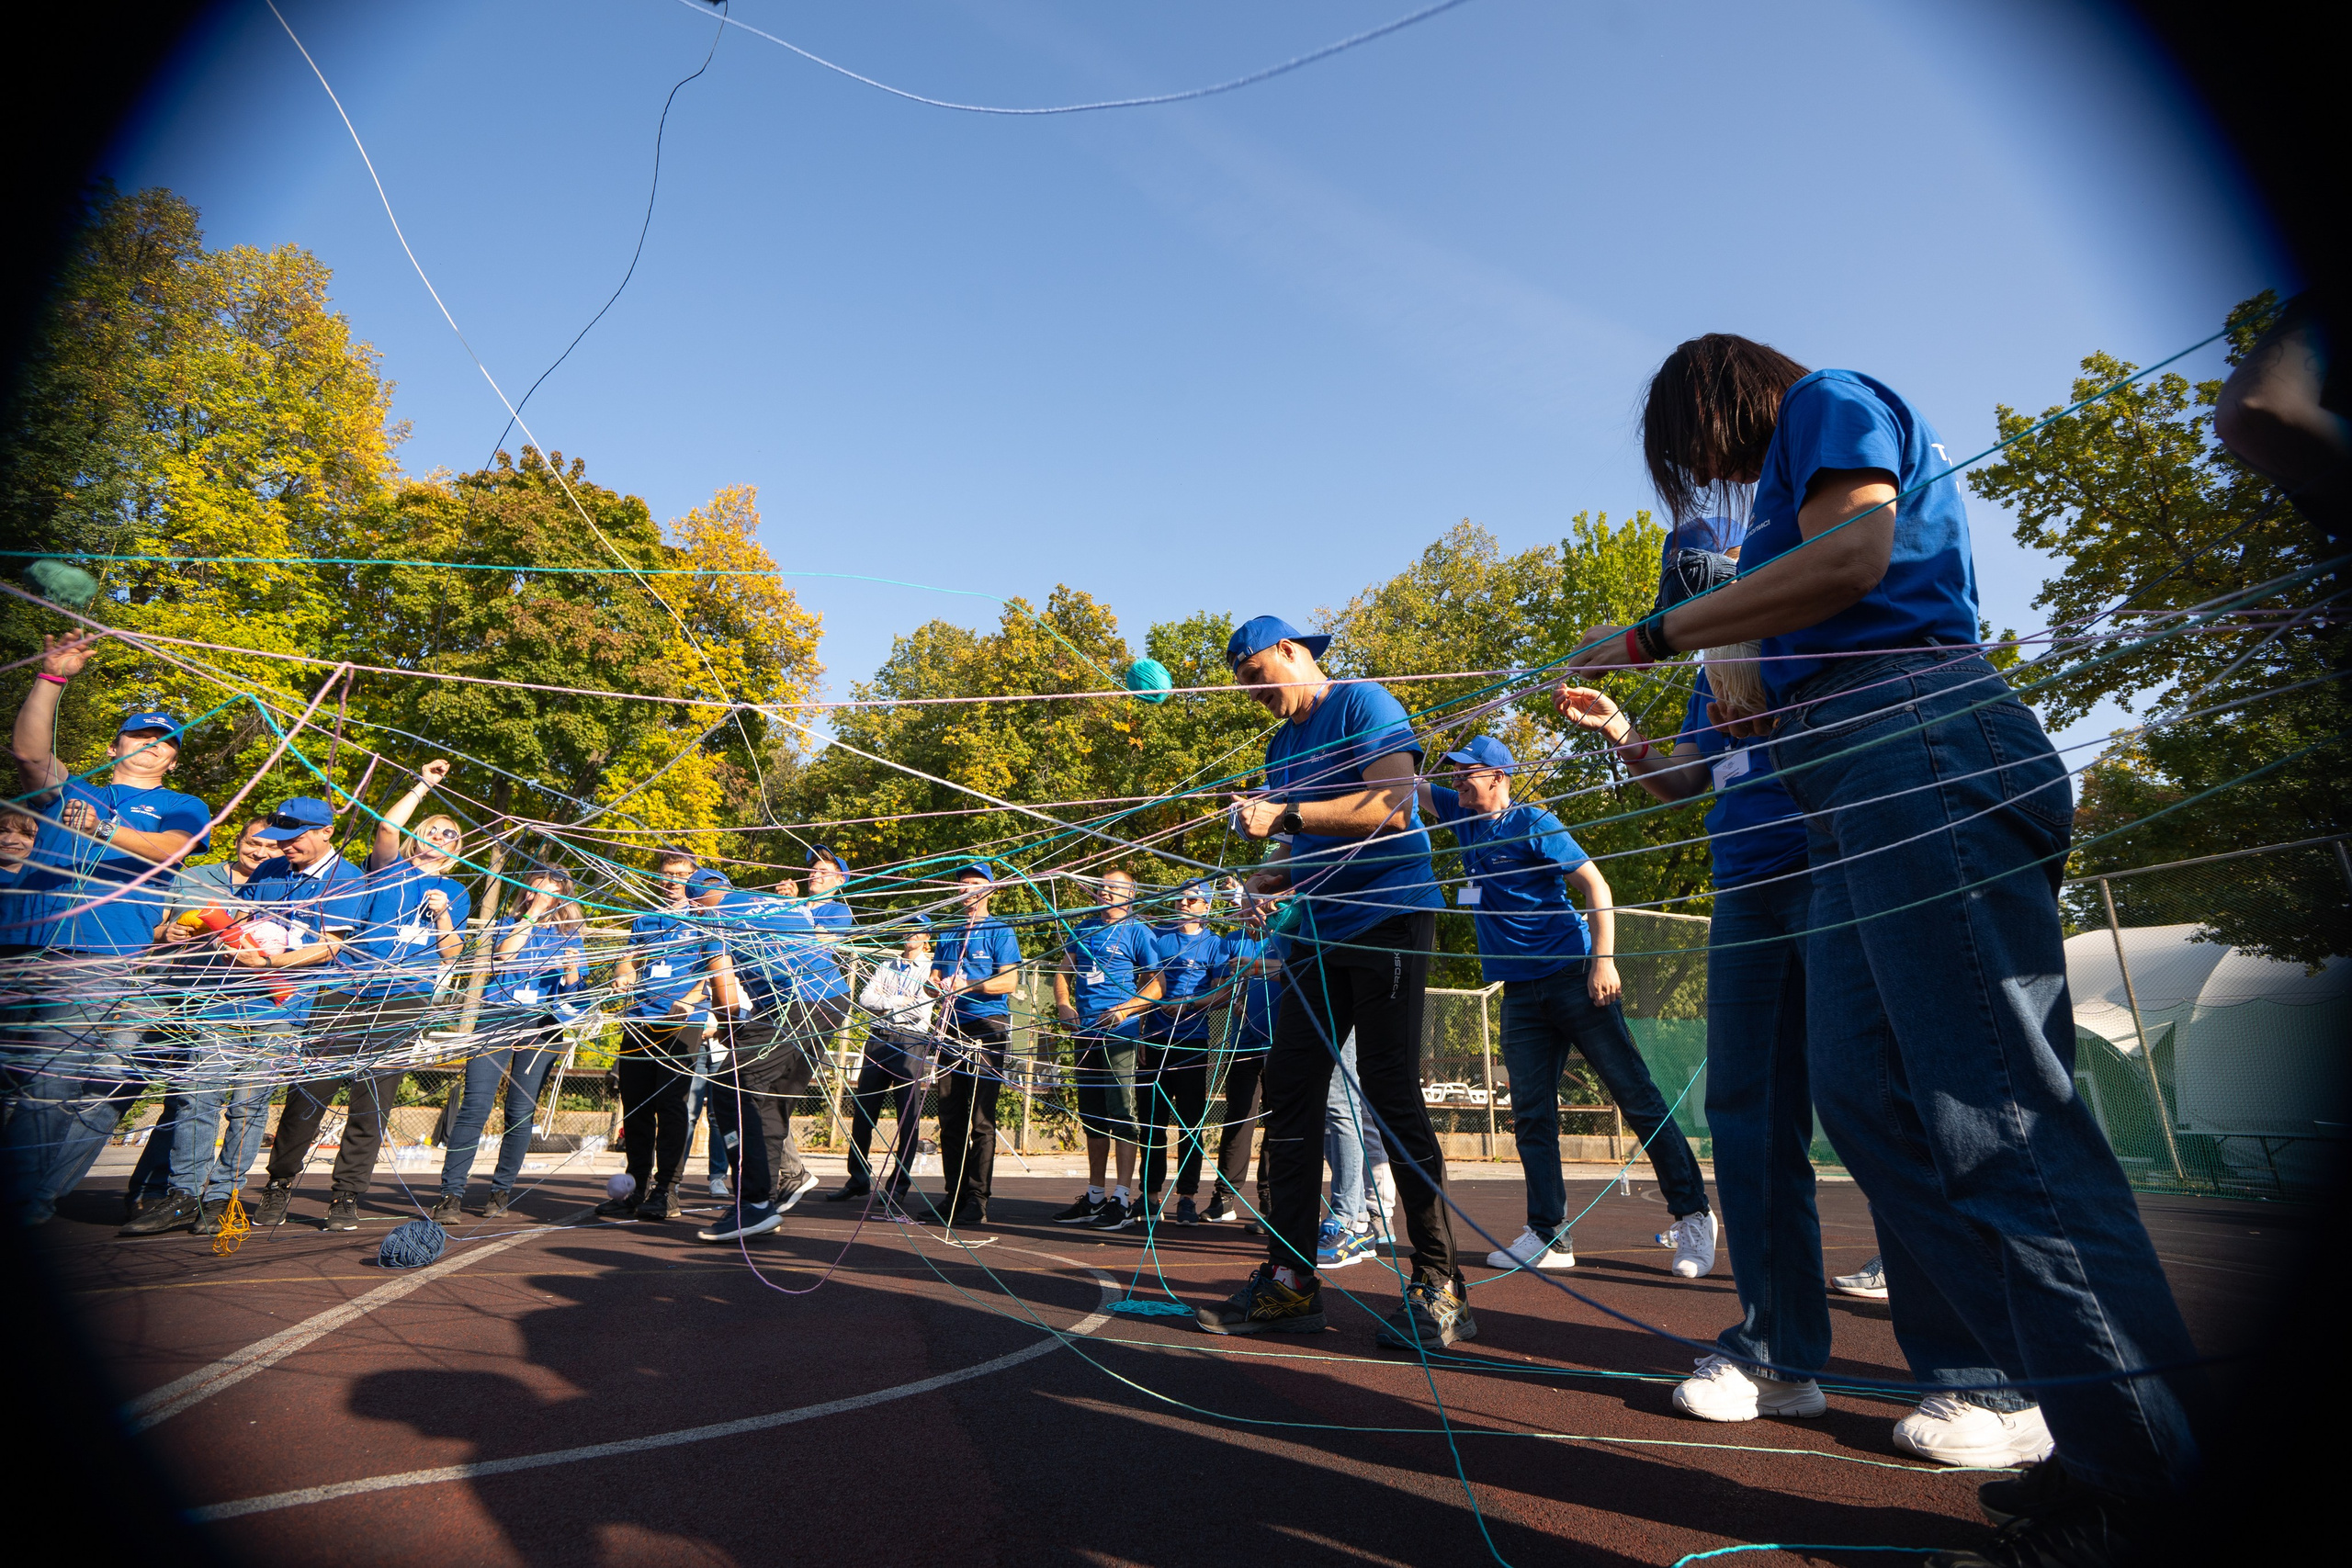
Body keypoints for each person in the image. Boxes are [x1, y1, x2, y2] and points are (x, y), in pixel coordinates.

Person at [1562, 335, 2197, 1554]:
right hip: (1852, 787)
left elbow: (1854, 556)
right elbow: (1732, 713)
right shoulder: (1791, 485)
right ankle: (2084, 1424)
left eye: (1694, 448)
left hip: (1917, 751)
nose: (1709, 475)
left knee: (1998, 1121)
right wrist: (1661, 705)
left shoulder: (1828, 401)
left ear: (1717, 397)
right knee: (1871, 1100)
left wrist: (1660, 631)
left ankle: (2149, 1478)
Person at [1204, 615, 1464, 1348]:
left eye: (1257, 675)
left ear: (1292, 651)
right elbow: (1309, 845)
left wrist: (1282, 812)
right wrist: (1269, 875)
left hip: (1389, 916)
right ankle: (1291, 1283)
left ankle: (1441, 1284)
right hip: (1316, 930)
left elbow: (1391, 806)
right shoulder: (1282, 743)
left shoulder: (1366, 704)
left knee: (1388, 1088)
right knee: (1289, 1089)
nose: (1253, 693)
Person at [1419, 733, 1718, 1280]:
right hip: (1519, 992)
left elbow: (1596, 887)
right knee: (1532, 1113)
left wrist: (1602, 961)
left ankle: (1694, 1215)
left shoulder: (1534, 822)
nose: (1457, 779)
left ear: (1499, 776)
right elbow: (1404, 784)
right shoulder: (1459, 818)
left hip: (1572, 980)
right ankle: (1549, 1233)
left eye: (1468, 771)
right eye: (1454, 772)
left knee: (1637, 1097)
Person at [4, 632, 213, 1226]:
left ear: (173, 758)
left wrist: (103, 830)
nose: (149, 746)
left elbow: (167, 850)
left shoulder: (184, 805)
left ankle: (23, 1200)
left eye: (162, 741)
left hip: (99, 954)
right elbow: (27, 754)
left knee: (49, 1079)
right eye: (138, 735)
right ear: (114, 743)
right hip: (22, 942)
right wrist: (51, 677)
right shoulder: (74, 788)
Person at [119, 815, 277, 1236]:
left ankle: (214, 1196)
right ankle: (163, 1193)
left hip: (249, 1005)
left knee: (233, 1104)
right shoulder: (193, 877)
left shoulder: (282, 887)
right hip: (179, 996)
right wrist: (166, 931)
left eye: (270, 847)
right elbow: (153, 930)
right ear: (239, 840)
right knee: (183, 1099)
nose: (259, 853)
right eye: (252, 843)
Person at [234, 795, 375, 1230]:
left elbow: (329, 945)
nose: (283, 847)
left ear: (326, 832)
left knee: (291, 1096)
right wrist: (238, 944)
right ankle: (238, 1189)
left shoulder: (348, 878)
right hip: (242, 992)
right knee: (210, 1094)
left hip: (309, 1001)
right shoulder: (269, 869)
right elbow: (241, 919)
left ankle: (273, 1187)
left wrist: (272, 963)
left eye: (293, 838)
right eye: (278, 838)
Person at [694, 876, 842, 1241]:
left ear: (698, 902)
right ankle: (774, 1195)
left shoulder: (714, 919)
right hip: (834, 1000)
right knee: (771, 1099)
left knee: (729, 1087)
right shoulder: (773, 902)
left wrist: (728, 1029)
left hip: (791, 1007)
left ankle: (754, 1202)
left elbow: (727, 998)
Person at [432, 869, 582, 1222]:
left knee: (519, 1114)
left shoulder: (570, 933)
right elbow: (505, 956)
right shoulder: (507, 923)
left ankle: (500, 1192)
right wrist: (531, 915)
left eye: (549, 891)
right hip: (496, 1020)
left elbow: (574, 993)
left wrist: (572, 971)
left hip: (542, 1027)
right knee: (475, 1107)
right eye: (536, 889)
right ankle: (450, 1194)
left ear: (562, 896)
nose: (541, 895)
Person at [598, 851, 711, 1222]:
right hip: (639, 1018)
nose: (672, 880)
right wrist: (623, 974)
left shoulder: (707, 915)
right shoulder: (646, 916)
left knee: (671, 1104)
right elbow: (630, 957)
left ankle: (668, 1189)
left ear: (694, 876)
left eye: (681, 873)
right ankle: (636, 1185)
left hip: (683, 1021)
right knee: (635, 1105)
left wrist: (691, 999)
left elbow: (716, 969)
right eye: (666, 873)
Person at [1050, 868, 1162, 1232]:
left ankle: (1123, 1198)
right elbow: (1062, 973)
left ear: (1130, 894)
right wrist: (1065, 1005)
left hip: (1120, 1034)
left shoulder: (1138, 932)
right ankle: (1095, 1196)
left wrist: (1125, 1010)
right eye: (1101, 887)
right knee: (1093, 1115)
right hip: (1086, 1034)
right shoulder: (1082, 929)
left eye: (1114, 888)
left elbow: (1157, 985)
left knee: (1122, 1114)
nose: (1105, 893)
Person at [923, 862, 1023, 1224]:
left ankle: (977, 1200)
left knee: (980, 1118)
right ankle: (954, 1195)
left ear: (990, 890)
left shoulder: (1000, 931)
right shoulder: (949, 931)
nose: (968, 889)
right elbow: (933, 978)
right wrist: (935, 986)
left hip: (986, 1027)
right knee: (950, 1115)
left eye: (976, 883)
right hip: (950, 1026)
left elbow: (1008, 983)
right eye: (963, 884)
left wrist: (969, 986)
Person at [1136, 879, 1224, 1225]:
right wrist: (1143, 1032)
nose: (1184, 904)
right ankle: (1149, 1194)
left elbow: (1221, 995)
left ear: (1206, 907)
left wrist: (1187, 1004)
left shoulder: (1214, 945)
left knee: (1190, 1124)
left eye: (1192, 900)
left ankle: (1187, 1196)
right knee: (1151, 1122)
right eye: (1181, 899)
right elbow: (1145, 984)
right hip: (1155, 1043)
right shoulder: (1157, 937)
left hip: (1191, 1043)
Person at [832, 919, 936, 1205]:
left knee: (907, 1116)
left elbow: (920, 1007)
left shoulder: (930, 968)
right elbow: (866, 997)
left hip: (911, 1041)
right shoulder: (887, 965)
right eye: (907, 929)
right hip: (879, 1038)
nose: (910, 934)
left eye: (917, 930)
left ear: (926, 938)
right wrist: (897, 1001)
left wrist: (891, 999)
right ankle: (858, 1178)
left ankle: (898, 1185)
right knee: (864, 1109)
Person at [1200, 893, 1281, 1226]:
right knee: (1238, 1118)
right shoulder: (1232, 942)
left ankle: (1272, 1204)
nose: (1252, 912)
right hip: (1243, 1043)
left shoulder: (1285, 938)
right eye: (1247, 905)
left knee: (1278, 1123)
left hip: (1281, 1043)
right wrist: (1227, 999)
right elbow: (1219, 990)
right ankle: (1224, 1197)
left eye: (1260, 905)